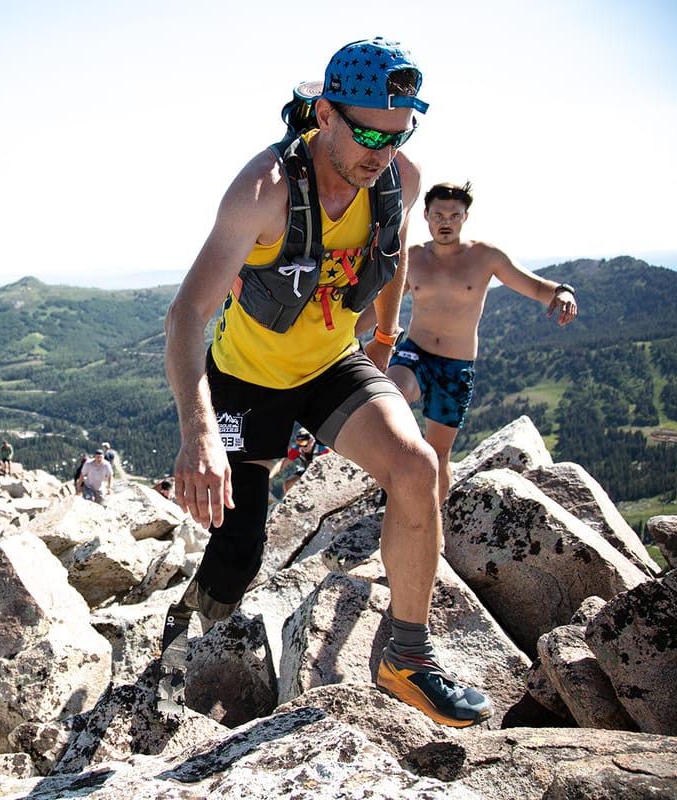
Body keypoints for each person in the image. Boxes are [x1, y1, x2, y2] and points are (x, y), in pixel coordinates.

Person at [162, 37, 491, 727]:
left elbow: (389, 255)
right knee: (238, 551)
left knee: (415, 465)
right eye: (368, 132)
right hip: (246, 379)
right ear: (326, 114)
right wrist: (197, 434)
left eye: (398, 133)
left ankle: (408, 657)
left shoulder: (398, 176)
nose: (382, 150)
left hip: (328, 365)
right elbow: (187, 315)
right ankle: (187, 625)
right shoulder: (264, 190)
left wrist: (382, 332)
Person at [384, 181, 578, 504]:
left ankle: (434, 520)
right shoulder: (413, 257)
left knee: (439, 454)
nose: (445, 222)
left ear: (465, 217)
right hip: (414, 353)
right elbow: (383, 305)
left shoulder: (485, 256)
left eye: (453, 215)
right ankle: (394, 480)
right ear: (426, 216)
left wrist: (563, 291)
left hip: (456, 366)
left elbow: (534, 286)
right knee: (391, 394)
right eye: (438, 215)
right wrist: (346, 328)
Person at [282, 428, 330, 493]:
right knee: (288, 483)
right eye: (299, 443)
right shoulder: (297, 449)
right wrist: (269, 477)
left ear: (312, 441)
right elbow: (283, 463)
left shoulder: (323, 449)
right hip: (307, 470)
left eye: (304, 443)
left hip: (323, 472)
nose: (302, 446)